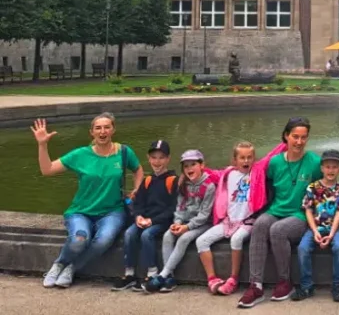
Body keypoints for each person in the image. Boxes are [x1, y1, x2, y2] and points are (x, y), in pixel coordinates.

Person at [35, 114, 144, 289]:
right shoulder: (81, 154)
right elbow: (47, 170)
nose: (102, 131)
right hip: (81, 211)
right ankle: (58, 264)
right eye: (98, 128)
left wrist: (137, 189)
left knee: (103, 241)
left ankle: (72, 268)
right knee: (79, 240)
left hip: (112, 211)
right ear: (91, 132)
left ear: (113, 130)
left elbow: (138, 169)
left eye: (107, 127)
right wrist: (42, 145)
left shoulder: (123, 152)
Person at [236, 118, 323, 308]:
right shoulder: (275, 163)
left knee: (278, 230)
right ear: (286, 136)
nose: (299, 142)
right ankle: (256, 286)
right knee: (260, 225)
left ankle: (285, 281)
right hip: (276, 209)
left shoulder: (315, 162)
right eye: (295, 137)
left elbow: (327, 187)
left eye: (303, 137)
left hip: (300, 215)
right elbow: (261, 184)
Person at [200, 138, 287, 296]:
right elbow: (211, 174)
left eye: (249, 157)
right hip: (229, 221)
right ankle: (212, 279)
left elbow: (270, 156)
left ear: (254, 158)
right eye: (242, 157)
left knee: (236, 239)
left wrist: (286, 142)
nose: (246, 161)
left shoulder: (257, 171)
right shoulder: (228, 173)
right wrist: (199, 168)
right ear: (235, 160)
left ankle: (233, 279)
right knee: (201, 241)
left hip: (248, 221)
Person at [144, 149, 216, 293]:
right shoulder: (183, 183)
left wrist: (187, 227)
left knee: (184, 239)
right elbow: (180, 206)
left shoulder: (209, 186)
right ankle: (170, 278)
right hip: (185, 222)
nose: (189, 168)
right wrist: (177, 222)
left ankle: (163, 275)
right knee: (167, 235)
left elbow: (204, 214)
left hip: (203, 224)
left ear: (202, 165)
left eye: (193, 164)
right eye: (186, 166)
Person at [112, 140, 178, 291]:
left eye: (161, 158)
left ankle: (152, 272)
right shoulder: (147, 180)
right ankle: (129, 273)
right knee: (129, 233)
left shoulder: (173, 180)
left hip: (162, 221)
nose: (157, 162)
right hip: (145, 219)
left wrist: (152, 220)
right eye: (154, 158)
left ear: (168, 159)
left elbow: (173, 208)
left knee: (146, 235)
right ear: (148, 159)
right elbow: (139, 203)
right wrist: (138, 216)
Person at [293, 149, 339, 303]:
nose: (331, 170)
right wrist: (315, 230)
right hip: (315, 227)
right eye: (328, 167)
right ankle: (306, 286)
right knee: (303, 248)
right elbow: (308, 210)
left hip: (334, 228)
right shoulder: (312, 187)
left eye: (335, 167)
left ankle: (338, 286)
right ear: (322, 168)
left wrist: (331, 234)